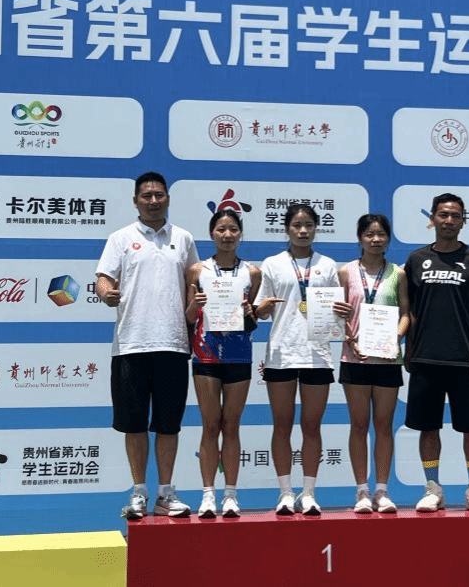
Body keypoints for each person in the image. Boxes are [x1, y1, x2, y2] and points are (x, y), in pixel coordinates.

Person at [95, 171, 199, 520]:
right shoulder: (120, 238)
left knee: (168, 425)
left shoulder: (183, 238)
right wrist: (106, 293)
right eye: (146, 196)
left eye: (159, 195)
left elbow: (194, 281)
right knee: (134, 424)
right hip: (131, 344)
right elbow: (103, 278)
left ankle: (165, 493)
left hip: (173, 343)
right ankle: (139, 492)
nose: (153, 201)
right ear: (135, 201)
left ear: (167, 198)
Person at [254, 203, 351, 516]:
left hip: (317, 356)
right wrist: (262, 308)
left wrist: (342, 312)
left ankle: (308, 493)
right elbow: (260, 311)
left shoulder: (328, 265)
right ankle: (285, 492)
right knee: (281, 425)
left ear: (316, 228)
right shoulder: (272, 264)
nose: (303, 230)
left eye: (308, 224)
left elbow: (337, 313)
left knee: (312, 426)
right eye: (297, 225)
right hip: (281, 354)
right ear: (287, 228)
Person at [403, 193, 469, 514]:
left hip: (465, 358)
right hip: (425, 357)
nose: (449, 221)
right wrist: (408, 348)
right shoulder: (416, 259)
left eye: (455, 216)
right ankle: (433, 487)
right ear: (432, 219)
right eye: (443, 215)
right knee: (428, 427)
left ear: (463, 221)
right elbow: (409, 311)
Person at [184, 208, 261, 518]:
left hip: (239, 353)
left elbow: (253, 321)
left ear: (240, 234)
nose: (227, 235)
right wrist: (195, 304)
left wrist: (250, 312)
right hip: (205, 353)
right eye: (221, 229)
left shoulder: (252, 273)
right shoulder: (197, 270)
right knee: (210, 425)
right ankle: (207, 495)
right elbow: (189, 317)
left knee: (231, 426)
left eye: (233, 229)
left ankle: (230, 494)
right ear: (211, 233)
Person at [338, 214, 410, 514]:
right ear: (360, 238)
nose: (375, 239)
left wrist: (396, 336)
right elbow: (338, 313)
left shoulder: (398, 273)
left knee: (383, 425)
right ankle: (361, 491)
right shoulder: (345, 272)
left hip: (387, 359)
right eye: (369, 234)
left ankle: (381, 490)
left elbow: (406, 313)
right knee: (358, 425)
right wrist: (349, 337)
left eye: (381, 234)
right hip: (354, 357)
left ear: (388, 239)